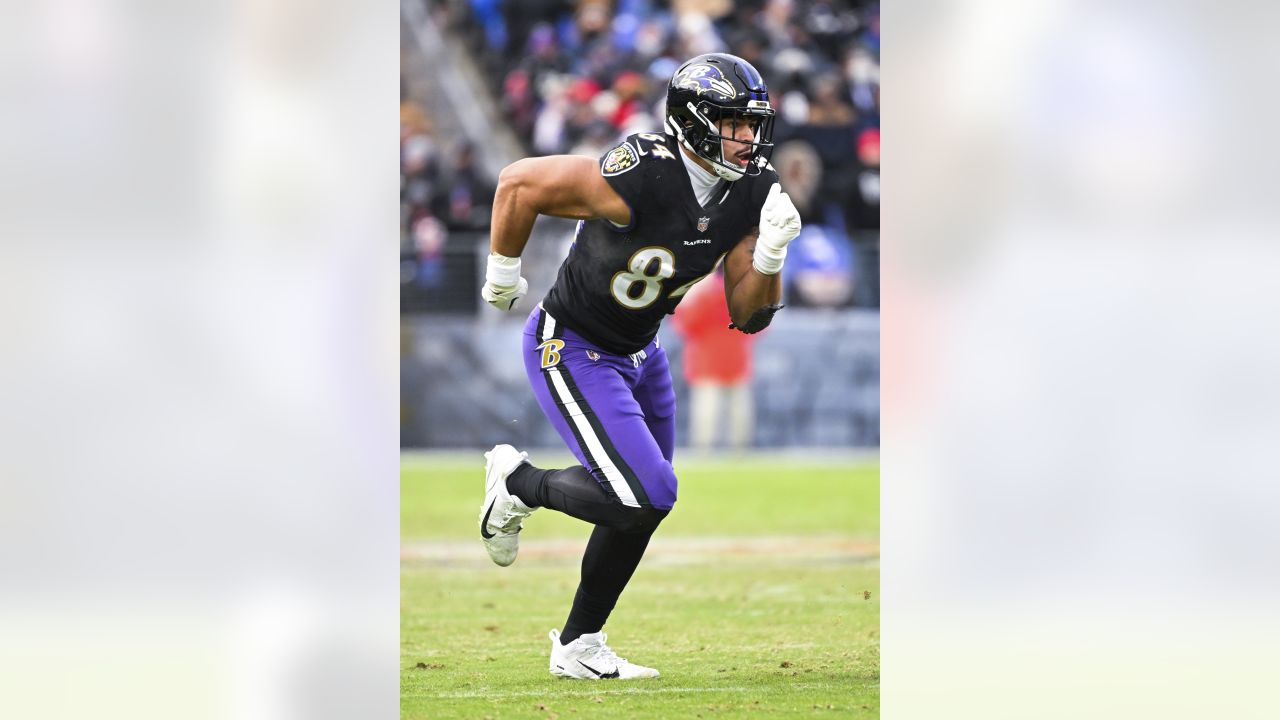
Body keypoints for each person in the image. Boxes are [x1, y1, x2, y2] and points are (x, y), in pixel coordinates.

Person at [477, 53, 801, 680]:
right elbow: (519, 182)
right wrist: (502, 272)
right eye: (735, 123)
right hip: (571, 343)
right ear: (697, 120)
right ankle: (517, 484)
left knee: (643, 502)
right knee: (647, 492)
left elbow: (748, 315)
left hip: (641, 352)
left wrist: (769, 255)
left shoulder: (752, 190)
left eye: (753, 124)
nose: (749, 138)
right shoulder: (644, 172)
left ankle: (579, 645)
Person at [671, 268, 758, 452]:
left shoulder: (707, 294)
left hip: (713, 364)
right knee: (730, 418)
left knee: (712, 419)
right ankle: (734, 454)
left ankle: (710, 454)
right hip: (722, 364)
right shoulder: (737, 294)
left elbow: (684, 324)